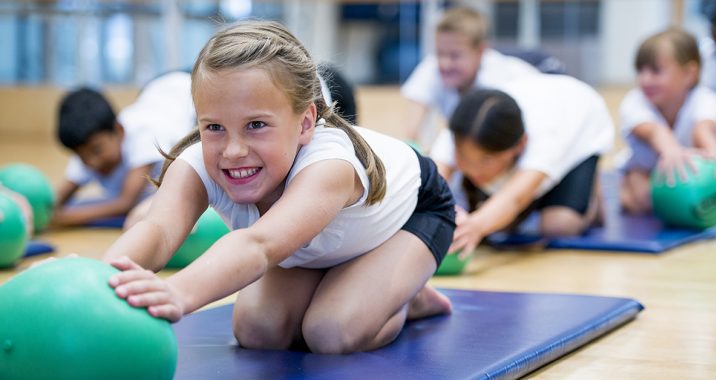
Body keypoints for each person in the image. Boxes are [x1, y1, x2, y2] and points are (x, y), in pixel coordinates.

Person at [102, 20, 455, 354]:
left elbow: (259, 245)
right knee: (258, 331)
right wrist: (99, 280)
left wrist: (176, 292)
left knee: (330, 332)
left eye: (256, 124)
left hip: (410, 218)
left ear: (305, 123)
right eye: (213, 127)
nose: (233, 150)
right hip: (325, 242)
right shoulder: (197, 164)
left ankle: (408, 299)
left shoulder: (329, 166)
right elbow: (158, 231)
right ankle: (351, 281)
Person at [430, 74, 614, 258]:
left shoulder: (545, 138)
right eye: (461, 156)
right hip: (527, 139)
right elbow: (429, 188)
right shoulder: (459, 131)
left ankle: (591, 194)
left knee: (559, 225)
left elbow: (515, 199)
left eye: (486, 160)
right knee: (500, 224)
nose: (472, 169)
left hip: (581, 131)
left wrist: (475, 226)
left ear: (520, 145)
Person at [52, 71, 196, 228]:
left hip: (185, 86)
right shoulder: (87, 147)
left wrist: (65, 218)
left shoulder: (144, 137)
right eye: (81, 157)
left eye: (97, 150)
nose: (92, 162)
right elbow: (56, 200)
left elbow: (125, 203)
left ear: (119, 131)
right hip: (154, 93)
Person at [401, 6, 538, 149]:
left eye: (455, 55)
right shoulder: (432, 66)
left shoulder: (499, 80)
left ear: (481, 51)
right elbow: (411, 133)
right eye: (439, 53)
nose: (445, 63)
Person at [619, 28, 716, 214]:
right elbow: (653, 130)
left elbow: (703, 130)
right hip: (644, 169)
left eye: (655, 71)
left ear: (689, 74)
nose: (645, 79)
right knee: (643, 200)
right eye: (640, 70)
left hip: (689, 170)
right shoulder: (635, 101)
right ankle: (624, 190)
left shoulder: (705, 99)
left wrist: (714, 152)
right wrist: (671, 150)